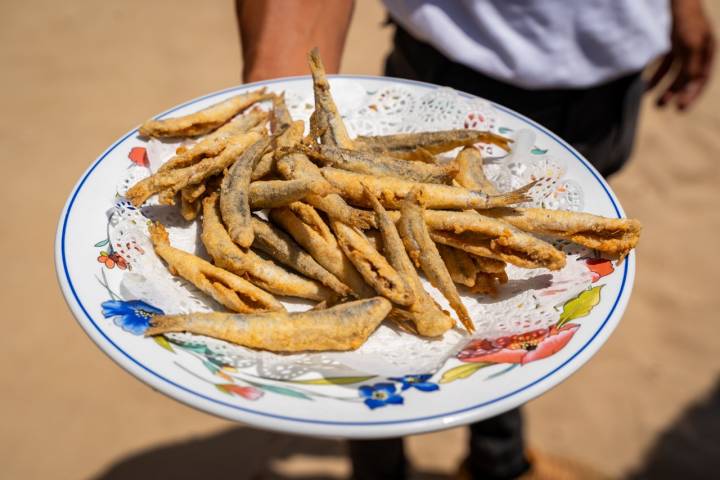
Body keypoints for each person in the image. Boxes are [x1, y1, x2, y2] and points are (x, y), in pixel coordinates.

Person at [236, 1, 714, 478]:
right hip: (457, 65)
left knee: (508, 306)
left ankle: (497, 461)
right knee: (388, 347)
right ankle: (394, 470)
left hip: (616, 72)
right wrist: (281, 92)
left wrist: (684, 7)